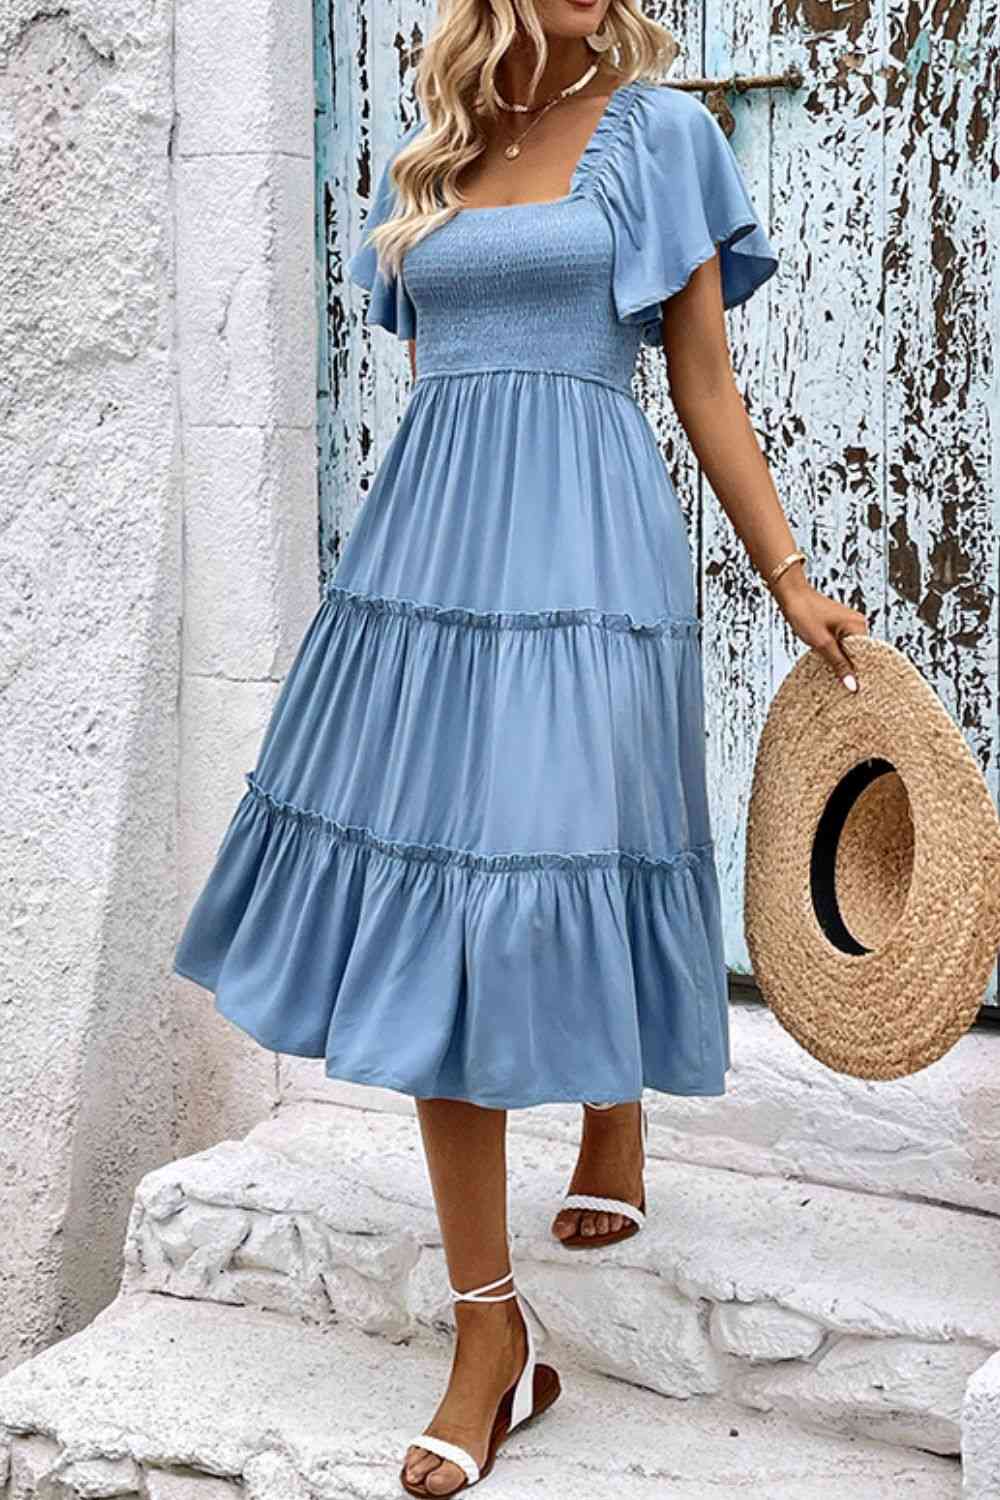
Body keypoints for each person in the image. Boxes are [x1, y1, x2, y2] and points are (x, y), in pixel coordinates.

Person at [173, 0, 870, 1492]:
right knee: (450, 896)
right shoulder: (430, 148)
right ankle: (492, 1330)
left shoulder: (664, 135)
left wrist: (788, 578)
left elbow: (703, 382)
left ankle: (614, 1109)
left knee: (567, 840)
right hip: (432, 556)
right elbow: (445, 374)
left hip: (590, 548)